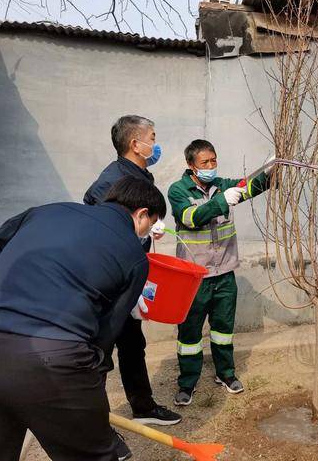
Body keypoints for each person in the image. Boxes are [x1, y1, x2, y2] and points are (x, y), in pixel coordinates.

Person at [0, 176, 166, 461]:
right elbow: (104, 337)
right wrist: (86, 390)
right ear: (141, 215)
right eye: (152, 223)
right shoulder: (134, 256)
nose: (148, 231)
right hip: (54, 359)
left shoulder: (46, 211)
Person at [84, 115, 180, 459]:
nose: (156, 144)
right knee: (99, 355)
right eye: (152, 138)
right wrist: (133, 232)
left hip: (129, 276)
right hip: (108, 282)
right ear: (135, 144)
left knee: (132, 343)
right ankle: (95, 427)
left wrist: (147, 230)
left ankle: (142, 405)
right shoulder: (111, 181)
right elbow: (100, 225)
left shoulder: (139, 174)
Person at [168, 139, 271, 405]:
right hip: (194, 278)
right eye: (205, 162)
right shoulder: (178, 190)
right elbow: (189, 217)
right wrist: (220, 202)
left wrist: (270, 172)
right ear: (191, 165)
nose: (211, 166)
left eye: (214, 160)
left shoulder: (223, 185)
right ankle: (187, 383)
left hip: (224, 274)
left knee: (223, 330)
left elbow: (250, 187)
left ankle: (225, 374)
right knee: (189, 335)